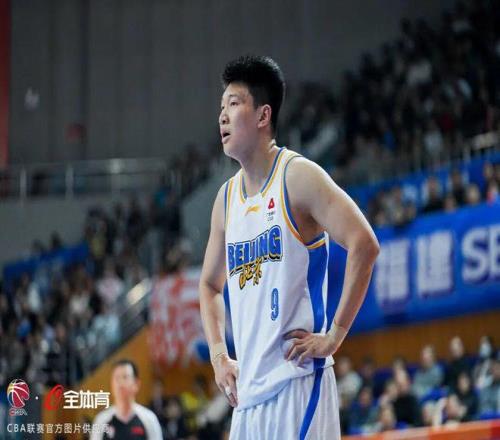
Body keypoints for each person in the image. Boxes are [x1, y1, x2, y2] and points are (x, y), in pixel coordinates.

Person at [199, 55, 380, 439]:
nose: (222, 116)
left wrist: (335, 335)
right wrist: (218, 355)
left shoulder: (298, 177)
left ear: (263, 115)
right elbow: (209, 285)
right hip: (247, 398)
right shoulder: (225, 200)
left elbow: (364, 244)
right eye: (221, 107)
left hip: (297, 382)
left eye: (233, 103)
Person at [91, 359, 162, 440]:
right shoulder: (101, 421)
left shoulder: (149, 419)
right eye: (117, 378)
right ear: (111, 384)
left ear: (136, 384)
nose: (120, 383)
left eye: (125, 377)